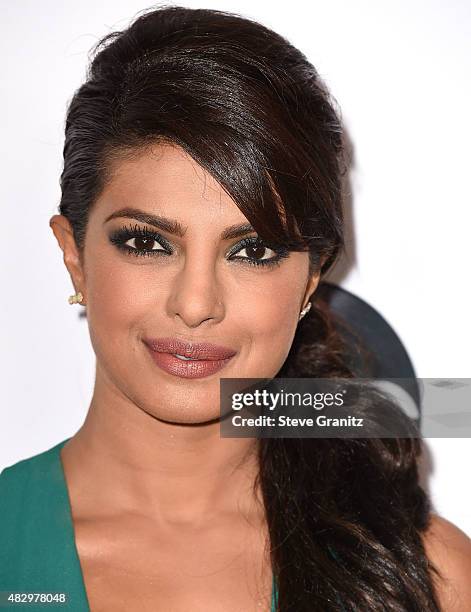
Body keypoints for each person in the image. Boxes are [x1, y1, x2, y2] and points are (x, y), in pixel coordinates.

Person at [1, 5, 470, 611]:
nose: (196, 304)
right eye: (147, 242)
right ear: (75, 256)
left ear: (311, 281)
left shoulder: (427, 577)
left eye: (253, 250)